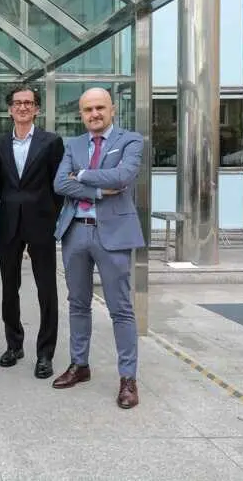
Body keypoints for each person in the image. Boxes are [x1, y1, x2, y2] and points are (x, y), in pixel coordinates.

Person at [52, 87, 145, 409]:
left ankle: (128, 379)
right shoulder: (73, 144)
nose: (94, 114)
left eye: (100, 108)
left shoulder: (130, 141)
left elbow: (123, 176)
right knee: (77, 304)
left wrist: (84, 175)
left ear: (112, 109)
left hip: (115, 235)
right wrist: (100, 191)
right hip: (75, 232)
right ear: (81, 114)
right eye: (88, 109)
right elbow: (60, 183)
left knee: (120, 308)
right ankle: (80, 365)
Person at [0, 86, 64, 379]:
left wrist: (48, 213)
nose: (23, 107)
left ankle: (45, 353)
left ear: (36, 109)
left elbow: (59, 186)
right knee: (9, 289)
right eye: (18, 103)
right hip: (10, 223)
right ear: (10, 109)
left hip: (41, 223)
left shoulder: (51, 142)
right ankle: (14, 344)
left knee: (47, 289)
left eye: (28, 103)